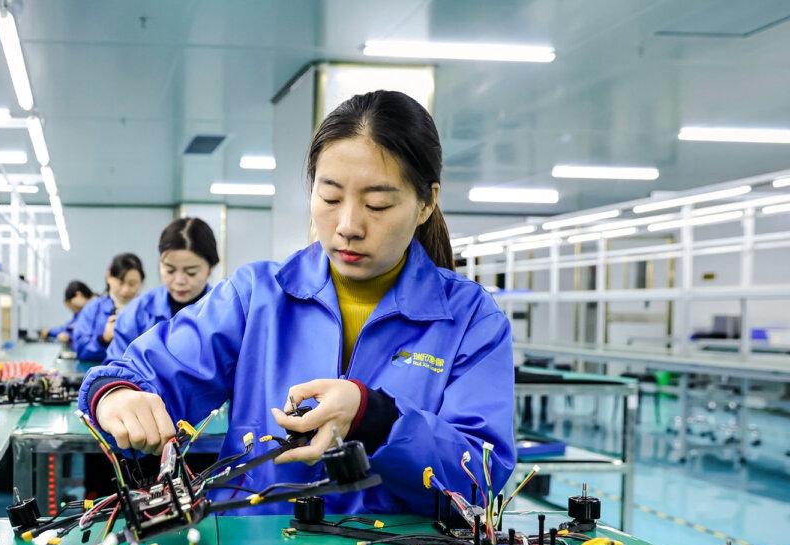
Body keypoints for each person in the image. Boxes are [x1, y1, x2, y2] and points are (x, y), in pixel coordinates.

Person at [78, 90, 516, 516]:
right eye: (329, 197)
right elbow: (137, 373)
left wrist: (375, 417)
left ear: (426, 203)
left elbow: (482, 476)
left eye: (378, 204)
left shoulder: (470, 319)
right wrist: (115, 396)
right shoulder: (257, 296)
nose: (348, 225)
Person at [105, 218, 219, 362]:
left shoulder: (224, 313)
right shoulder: (137, 313)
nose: (179, 281)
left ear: (211, 268)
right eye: (170, 270)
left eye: (191, 272)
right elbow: (114, 367)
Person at [72, 253, 145, 363]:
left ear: (141, 282)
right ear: (108, 277)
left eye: (132, 284)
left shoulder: (149, 311)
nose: (125, 290)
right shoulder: (93, 309)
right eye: (120, 282)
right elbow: (81, 351)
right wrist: (104, 339)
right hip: (103, 376)